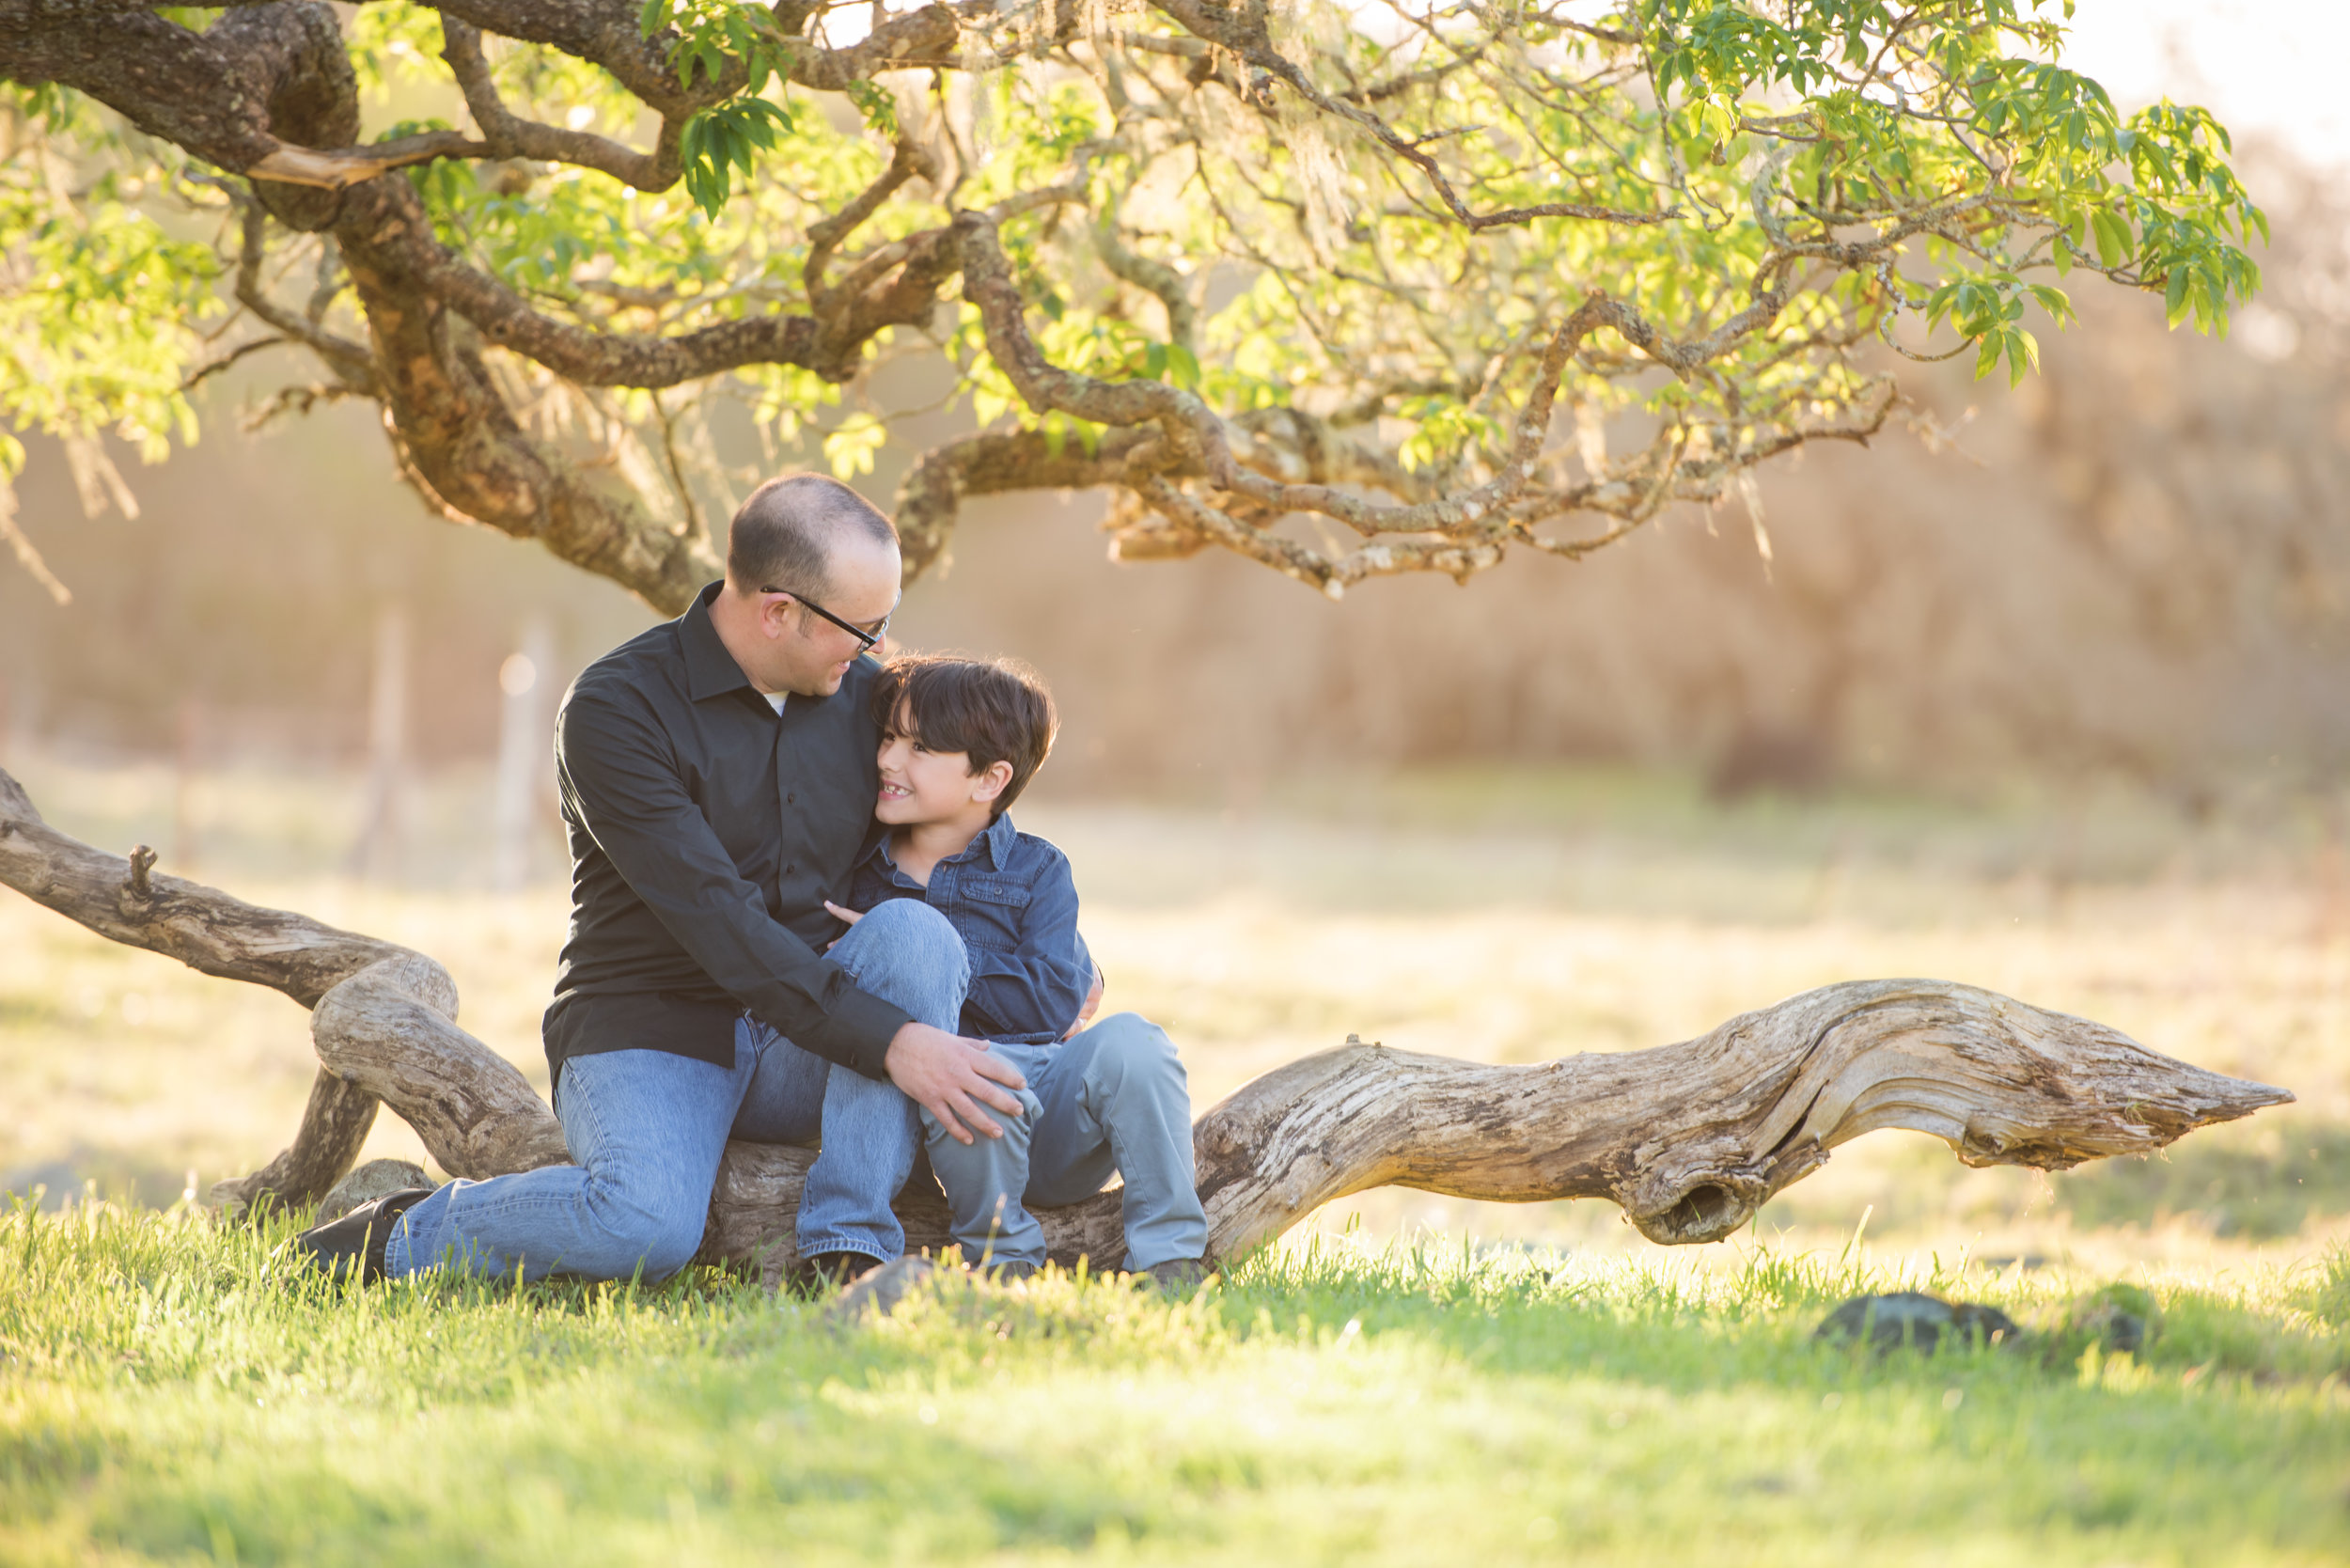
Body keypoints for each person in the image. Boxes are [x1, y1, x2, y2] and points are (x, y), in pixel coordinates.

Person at [289, 474, 1027, 1287]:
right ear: (779, 612)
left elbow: (962, 806)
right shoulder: (617, 710)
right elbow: (718, 920)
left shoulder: (865, 699)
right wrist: (894, 1041)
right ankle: (396, 1236)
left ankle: (846, 1252)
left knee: (915, 935)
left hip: (807, 1038)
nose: (879, 648)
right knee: (643, 1224)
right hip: (653, 1027)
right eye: (866, 627)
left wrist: (1049, 943)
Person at [829, 652, 1209, 1287]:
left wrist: (946, 954)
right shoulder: (856, 870)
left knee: (1137, 1044)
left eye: (920, 747)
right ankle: (1003, 1266)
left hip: (1051, 1102)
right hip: (937, 1114)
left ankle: (1170, 1260)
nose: (888, 759)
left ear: (988, 779)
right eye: (889, 737)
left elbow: (1056, 999)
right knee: (979, 1074)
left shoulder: (1037, 870)